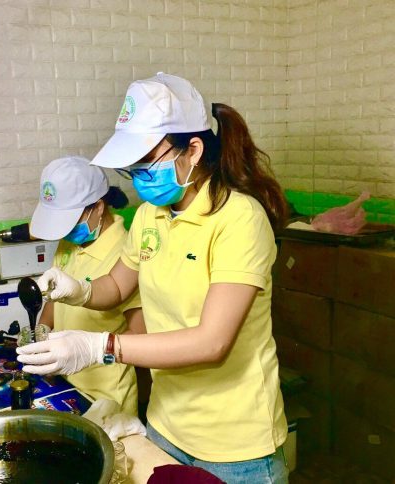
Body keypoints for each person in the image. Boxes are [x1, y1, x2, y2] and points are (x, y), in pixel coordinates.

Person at [17, 73, 291, 483]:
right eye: (134, 167)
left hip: (234, 441)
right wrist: (78, 291)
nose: (140, 175)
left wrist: (101, 347)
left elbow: (212, 342)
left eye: (148, 161)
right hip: (166, 423)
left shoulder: (239, 219)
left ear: (193, 150)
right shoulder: (149, 216)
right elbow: (117, 287)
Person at [29, 155, 145, 416]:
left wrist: (91, 350)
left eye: (69, 222)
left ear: (98, 207)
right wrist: (41, 338)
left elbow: (140, 336)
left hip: (105, 395)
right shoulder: (69, 244)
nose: (64, 232)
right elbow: (54, 305)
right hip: (64, 383)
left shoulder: (126, 254)